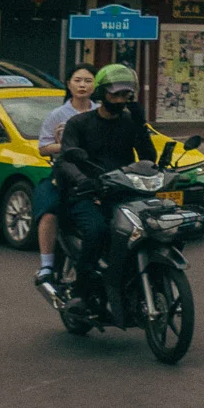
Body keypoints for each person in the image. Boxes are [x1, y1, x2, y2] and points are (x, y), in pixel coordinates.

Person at [53, 63, 157, 286]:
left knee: (155, 225)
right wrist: (83, 180)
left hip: (122, 191)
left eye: (125, 95)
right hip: (87, 193)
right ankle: (82, 289)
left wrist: (141, 125)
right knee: (97, 231)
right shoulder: (79, 123)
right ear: (102, 94)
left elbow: (149, 158)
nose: (120, 100)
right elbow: (65, 161)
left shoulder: (130, 122)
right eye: (115, 95)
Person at [30, 64, 96, 291]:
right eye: (78, 80)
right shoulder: (57, 115)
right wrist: (64, 145)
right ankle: (47, 265)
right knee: (49, 209)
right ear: (69, 84)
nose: (82, 85)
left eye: (88, 80)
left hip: (95, 173)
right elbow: (43, 147)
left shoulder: (100, 112)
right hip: (64, 172)